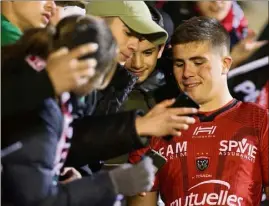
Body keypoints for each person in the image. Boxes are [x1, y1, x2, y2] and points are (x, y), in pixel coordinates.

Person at [1, 15, 156, 206]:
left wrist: (59, 177)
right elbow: (37, 201)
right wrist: (110, 184)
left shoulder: (42, 92)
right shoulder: (42, 105)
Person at [128, 16, 268, 206]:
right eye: (179, 64)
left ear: (226, 64)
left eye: (198, 62)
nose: (187, 73)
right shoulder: (155, 128)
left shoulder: (260, 121)